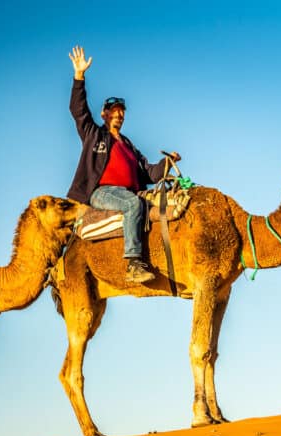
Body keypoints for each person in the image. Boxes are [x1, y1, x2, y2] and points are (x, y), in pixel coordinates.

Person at [66, 45, 180, 283]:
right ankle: (134, 262)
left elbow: (150, 172)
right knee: (133, 204)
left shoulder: (129, 145)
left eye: (121, 113)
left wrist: (167, 162)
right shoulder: (94, 134)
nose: (118, 115)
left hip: (128, 190)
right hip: (101, 192)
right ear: (104, 115)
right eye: (114, 112)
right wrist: (79, 77)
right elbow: (78, 111)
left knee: (155, 203)